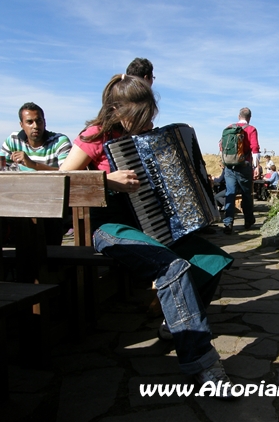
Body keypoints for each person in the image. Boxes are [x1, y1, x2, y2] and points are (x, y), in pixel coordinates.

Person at [60, 74, 235, 398]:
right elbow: (63, 180)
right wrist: (107, 180)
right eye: (140, 119)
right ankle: (202, 364)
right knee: (172, 266)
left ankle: (174, 323)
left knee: (212, 260)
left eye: (149, 118)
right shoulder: (93, 136)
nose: (146, 125)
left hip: (151, 225)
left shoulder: (147, 138)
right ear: (115, 110)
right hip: (108, 228)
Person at [0, 102, 72, 171]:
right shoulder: (13, 140)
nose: (35, 126)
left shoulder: (60, 141)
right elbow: (0, 169)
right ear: (21, 125)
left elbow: (67, 173)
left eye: (38, 121)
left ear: (44, 122)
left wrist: (33, 165)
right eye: (29, 122)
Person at [222, 107, 260, 234]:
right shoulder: (251, 129)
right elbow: (254, 148)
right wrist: (256, 167)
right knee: (246, 194)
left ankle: (228, 223)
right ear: (249, 117)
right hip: (244, 165)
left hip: (229, 166)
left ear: (239, 116)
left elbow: (221, 145)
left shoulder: (229, 128)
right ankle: (248, 220)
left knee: (230, 194)